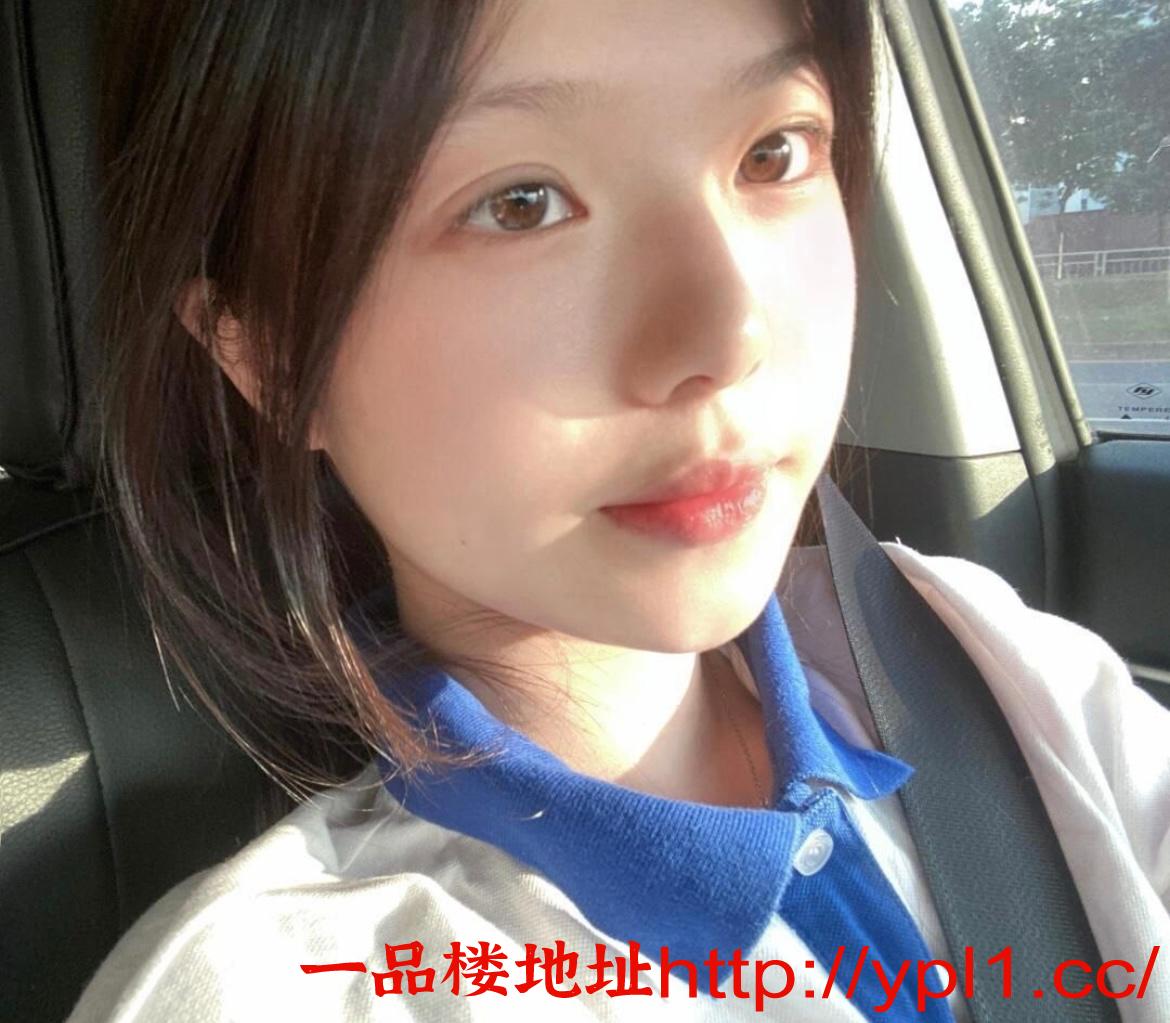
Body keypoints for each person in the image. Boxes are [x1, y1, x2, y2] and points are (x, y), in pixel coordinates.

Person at [70, 0, 1167, 1020]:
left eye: (773, 153)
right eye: (520, 204)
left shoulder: (996, 669)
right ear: (262, 355)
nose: (728, 334)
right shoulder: (282, 990)